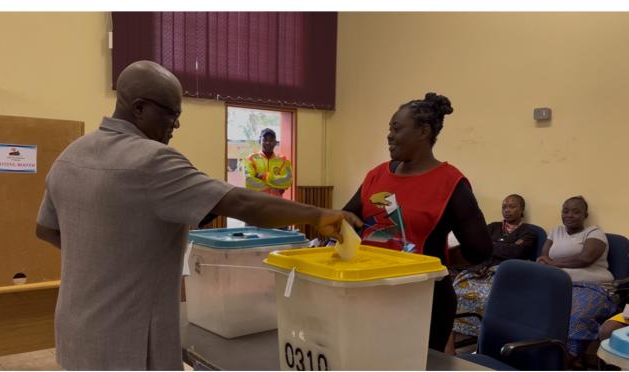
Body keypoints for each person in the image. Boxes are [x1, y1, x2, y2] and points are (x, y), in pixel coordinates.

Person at [35, 60, 361, 371]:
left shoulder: (70, 154)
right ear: (138, 108)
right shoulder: (153, 161)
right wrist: (319, 215)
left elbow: (45, 229)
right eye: (171, 114)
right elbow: (242, 204)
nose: (176, 124)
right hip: (130, 340)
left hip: (77, 329)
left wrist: (103, 257)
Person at [342, 92, 493, 353]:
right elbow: (347, 221)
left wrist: (437, 261)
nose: (389, 135)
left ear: (423, 131)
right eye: (389, 128)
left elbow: (480, 249)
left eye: (396, 128)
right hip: (370, 293)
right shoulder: (377, 175)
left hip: (423, 300)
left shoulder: (450, 183)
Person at [536, 196, 616, 361]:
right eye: (565, 211)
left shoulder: (594, 232)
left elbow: (585, 259)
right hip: (558, 285)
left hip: (592, 286)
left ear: (585, 215)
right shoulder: (555, 231)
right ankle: (535, 354)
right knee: (532, 309)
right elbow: (543, 257)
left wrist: (552, 264)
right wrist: (548, 264)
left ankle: (565, 360)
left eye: (576, 211)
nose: (569, 215)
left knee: (574, 318)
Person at [452, 194, 537, 339]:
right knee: (455, 291)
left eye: (512, 206)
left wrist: (491, 246)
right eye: (504, 207)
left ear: (522, 209)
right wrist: (503, 247)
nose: (507, 210)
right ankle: (454, 337)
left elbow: (516, 252)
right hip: (480, 270)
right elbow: (478, 248)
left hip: (505, 274)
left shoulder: (529, 231)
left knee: (486, 298)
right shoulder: (493, 227)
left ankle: (485, 337)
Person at [244, 128, 292, 197]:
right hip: (257, 202)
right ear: (259, 141)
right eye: (265, 140)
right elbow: (249, 182)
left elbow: (287, 181)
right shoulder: (251, 159)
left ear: (275, 142)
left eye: (271, 140)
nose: (268, 142)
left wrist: (264, 176)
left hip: (276, 202)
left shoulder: (283, 160)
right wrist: (275, 185)